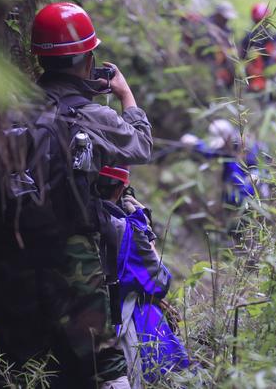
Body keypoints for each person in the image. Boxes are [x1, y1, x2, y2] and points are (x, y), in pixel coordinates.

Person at [0, 2, 153, 388]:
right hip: (74, 261)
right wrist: (126, 96)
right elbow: (141, 146)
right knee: (103, 364)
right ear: (88, 58)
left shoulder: (8, 111)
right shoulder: (92, 115)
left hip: (9, 258)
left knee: (13, 369)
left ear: (39, 57)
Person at [96, 165, 191, 388]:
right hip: (114, 331)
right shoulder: (125, 229)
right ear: (120, 190)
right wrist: (145, 231)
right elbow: (159, 283)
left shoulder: (70, 217)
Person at [181, 119, 270, 208]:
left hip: (252, 189)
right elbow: (209, 152)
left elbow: (264, 166)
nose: (222, 147)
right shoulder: (224, 150)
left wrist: (257, 175)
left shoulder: (248, 146)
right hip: (234, 194)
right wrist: (196, 144)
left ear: (229, 136)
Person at [240, 2, 276, 94]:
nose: (262, 25)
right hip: (256, 85)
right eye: (258, 21)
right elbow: (241, 61)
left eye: (264, 21)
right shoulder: (248, 41)